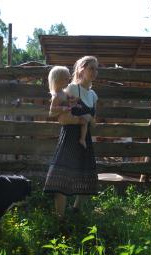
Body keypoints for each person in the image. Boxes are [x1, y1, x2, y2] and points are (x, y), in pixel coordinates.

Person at [44, 56, 99, 222]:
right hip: (70, 136)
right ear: (81, 69)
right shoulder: (72, 89)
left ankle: (76, 210)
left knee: (84, 175)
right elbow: (60, 118)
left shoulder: (94, 95)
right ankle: (59, 219)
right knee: (61, 176)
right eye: (92, 68)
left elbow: (94, 121)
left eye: (97, 69)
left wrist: (90, 119)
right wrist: (81, 119)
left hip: (84, 138)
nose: (95, 72)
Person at [47, 66, 90, 148]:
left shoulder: (63, 92)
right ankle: (82, 139)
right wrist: (63, 108)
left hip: (68, 115)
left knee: (86, 118)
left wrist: (75, 102)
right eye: (66, 79)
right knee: (85, 120)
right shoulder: (56, 96)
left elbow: (69, 102)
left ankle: (82, 139)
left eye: (68, 79)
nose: (68, 81)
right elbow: (52, 109)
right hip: (65, 118)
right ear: (58, 80)